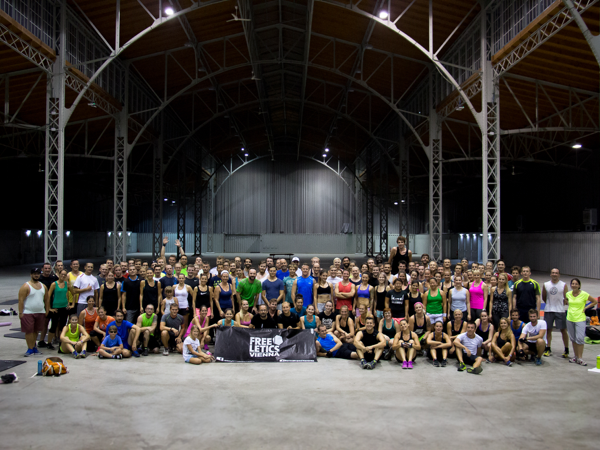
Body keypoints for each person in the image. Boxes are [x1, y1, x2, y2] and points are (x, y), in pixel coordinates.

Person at [565, 278, 597, 366]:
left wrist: (586, 307)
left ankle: (580, 358)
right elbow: (566, 301)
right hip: (570, 318)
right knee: (573, 338)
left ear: (579, 285)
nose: (574, 285)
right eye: (572, 283)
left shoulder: (584, 294)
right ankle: (575, 356)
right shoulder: (568, 294)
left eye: (576, 284)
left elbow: (594, 301)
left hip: (580, 319)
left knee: (580, 339)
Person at [18, 268, 48, 357]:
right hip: (28, 312)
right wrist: (21, 313)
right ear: (31, 275)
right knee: (29, 331)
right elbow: (21, 300)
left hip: (40, 312)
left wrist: (46, 310)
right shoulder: (26, 286)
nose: (36, 275)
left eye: (38, 274)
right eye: (34, 274)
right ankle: (30, 348)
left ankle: (34, 347)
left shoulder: (43, 286)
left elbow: (46, 300)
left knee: (36, 331)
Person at [45, 269, 75, 351]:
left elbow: (73, 293)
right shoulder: (54, 284)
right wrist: (49, 308)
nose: (63, 276)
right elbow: (48, 297)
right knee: (53, 326)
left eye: (65, 275)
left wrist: (72, 305)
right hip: (56, 308)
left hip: (64, 307)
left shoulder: (67, 284)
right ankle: (49, 343)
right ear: (59, 275)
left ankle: (62, 342)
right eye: (62, 274)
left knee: (63, 326)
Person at [542, 268, 569, 358]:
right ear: (550, 274)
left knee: (563, 330)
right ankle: (548, 348)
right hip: (549, 310)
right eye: (553, 273)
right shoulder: (546, 284)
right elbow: (544, 297)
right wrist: (550, 304)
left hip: (560, 310)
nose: (554, 274)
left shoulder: (563, 285)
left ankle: (566, 349)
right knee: (548, 330)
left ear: (559, 275)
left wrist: (561, 304)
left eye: (556, 273)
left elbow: (566, 298)